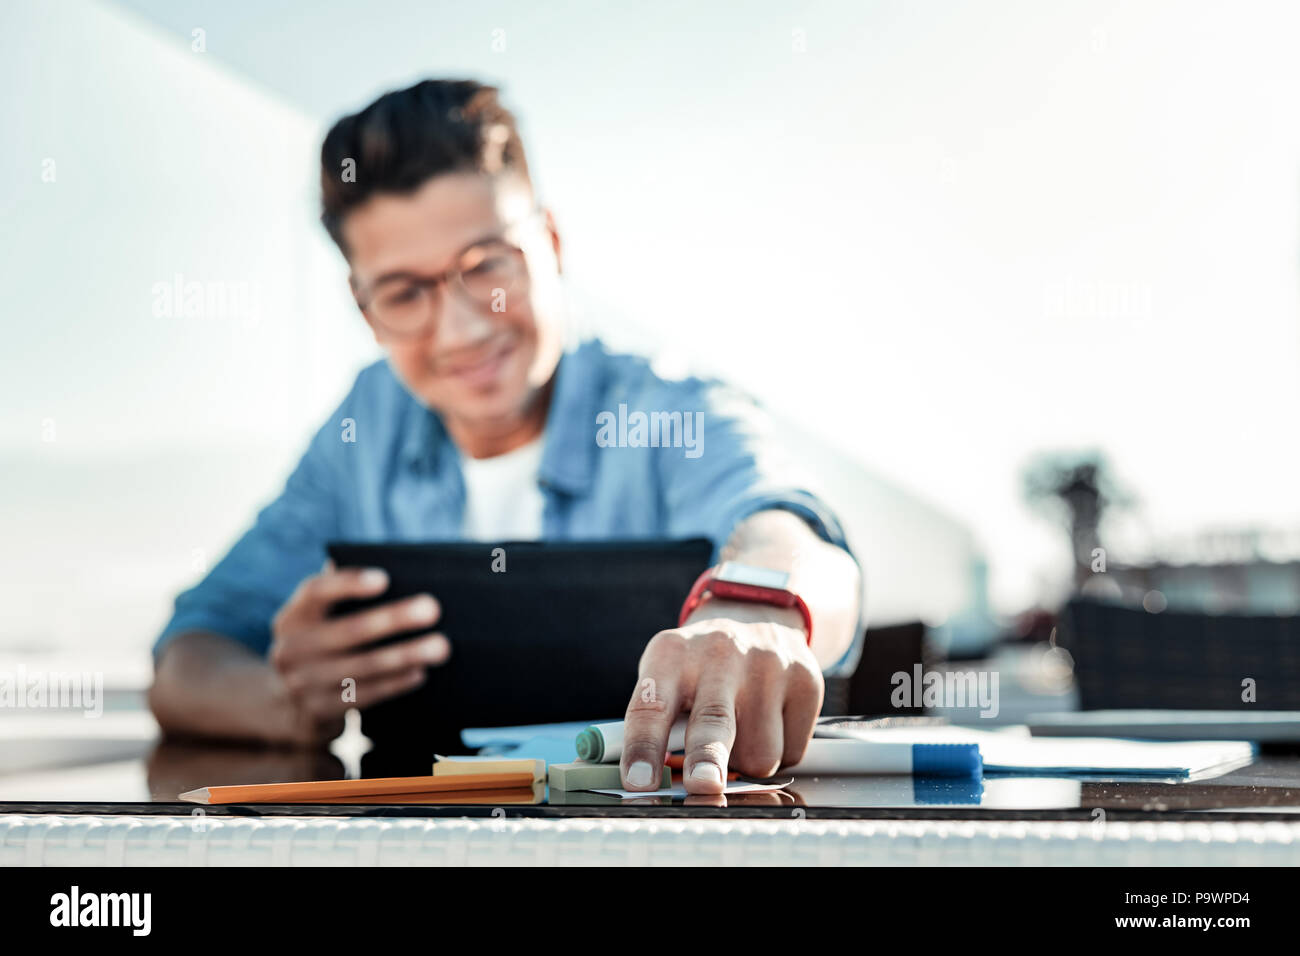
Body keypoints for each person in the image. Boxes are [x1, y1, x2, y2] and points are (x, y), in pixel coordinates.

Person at [147, 79, 863, 794]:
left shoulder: (670, 408)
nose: (461, 328)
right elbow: (185, 659)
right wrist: (286, 701)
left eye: (488, 264)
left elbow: (794, 535)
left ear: (550, 243)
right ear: (365, 310)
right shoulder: (360, 433)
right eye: (404, 293)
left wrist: (759, 606)